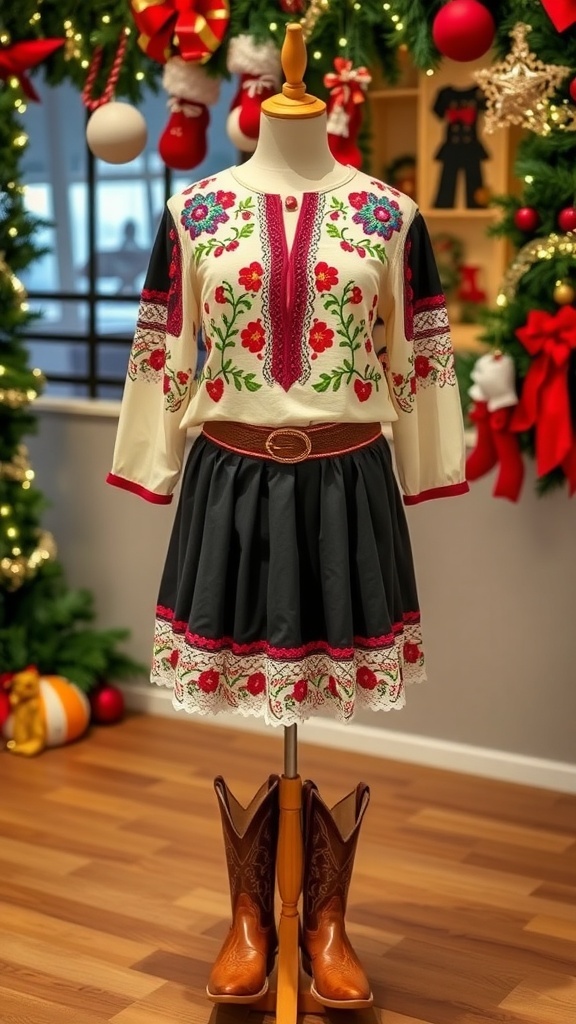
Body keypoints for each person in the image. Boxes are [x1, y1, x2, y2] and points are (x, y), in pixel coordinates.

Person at [107, 24, 468, 1011]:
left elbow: (425, 353)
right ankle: (252, 914)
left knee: (319, 693)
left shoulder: (392, 218)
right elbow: (160, 348)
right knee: (257, 696)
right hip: (231, 481)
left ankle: (325, 918)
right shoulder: (194, 212)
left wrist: (433, 460)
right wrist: (153, 457)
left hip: (350, 484)